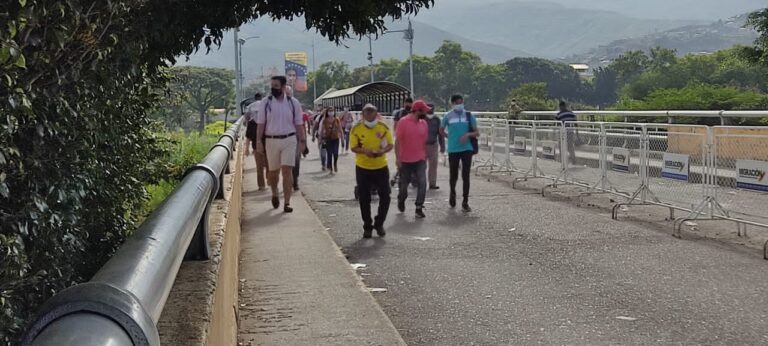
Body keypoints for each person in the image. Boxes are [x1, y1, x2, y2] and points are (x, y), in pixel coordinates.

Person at [255, 76, 306, 213]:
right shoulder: (266, 103)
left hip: (289, 139)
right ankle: (275, 193)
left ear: (283, 87)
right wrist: (258, 141)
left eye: (276, 86)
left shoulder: (293, 103)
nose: (273, 88)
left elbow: (299, 124)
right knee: (273, 172)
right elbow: (261, 124)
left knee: (287, 170)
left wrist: (302, 141)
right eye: (272, 85)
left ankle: (287, 202)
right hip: (271, 140)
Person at [350, 104, 393, 238]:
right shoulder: (356, 128)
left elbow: (390, 144)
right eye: (366, 112)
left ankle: (379, 223)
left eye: (372, 111)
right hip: (363, 167)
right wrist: (365, 151)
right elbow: (354, 147)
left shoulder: (383, 127)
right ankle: (367, 226)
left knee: (385, 196)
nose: (369, 114)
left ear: (376, 113)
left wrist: (382, 151)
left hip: (380, 166)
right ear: (363, 114)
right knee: (364, 198)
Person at [440, 94, 478, 213]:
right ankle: (452, 193)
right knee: (453, 175)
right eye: (457, 103)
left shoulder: (468, 115)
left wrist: (467, 135)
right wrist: (449, 137)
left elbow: (477, 132)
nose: (459, 105)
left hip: (467, 149)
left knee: (466, 175)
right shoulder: (448, 116)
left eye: (461, 102)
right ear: (452, 104)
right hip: (453, 149)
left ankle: (465, 201)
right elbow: (441, 130)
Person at [395, 100, 429, 219]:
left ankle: (419, 207)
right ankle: (401, 199)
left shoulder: (424, 123)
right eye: (424, 111)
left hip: (419, 159)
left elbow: (423, 142)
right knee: (404, 187)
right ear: (417, 111)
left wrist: (424, 156)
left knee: (422, 183)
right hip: (405, 160)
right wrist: (398, 158)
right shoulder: (403, 122)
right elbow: (398, 141)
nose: (426, 113)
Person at [245, 93, 268, 190]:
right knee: (268, 165)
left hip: (256, 147)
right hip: (268, 146)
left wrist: (246, 149)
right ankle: (268, 180)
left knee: (259, 168)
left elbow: (248, 137)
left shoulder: (251, 121)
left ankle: (261, 185)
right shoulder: (267, 120)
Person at [425, 103, 445, 190]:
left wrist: (442, 146)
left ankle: (432, 183)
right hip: (422, 145)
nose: (430, 109)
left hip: (433, 145)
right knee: (421, 165)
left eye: (431, 108)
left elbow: (440, 134)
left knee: (433, 165)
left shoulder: (437, 119)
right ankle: (419, 182)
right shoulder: (422, 118)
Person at [319, 107, 343, 174]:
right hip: (328, 139)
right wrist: (320, 139)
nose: (331, 112)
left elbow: (340, 129)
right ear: (327, 112)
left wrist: (342, 138)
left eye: (332, 111)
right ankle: (330, 168)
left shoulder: (337, 120)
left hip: (336, 139)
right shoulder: (325, 120)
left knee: (335, 153)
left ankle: (335, 164)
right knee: (329, 154)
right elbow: (321, 130)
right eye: (329, 111)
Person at [556, 100, 578, 165]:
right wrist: (577, 133)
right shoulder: (571, 113)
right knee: (570, 146)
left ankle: (563, 161)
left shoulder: (559, 114)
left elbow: (557, 124)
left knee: (561, 146)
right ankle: (573, 160)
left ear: (560, 107)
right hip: (570, 131)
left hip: (562, 132)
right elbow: (576, 123)